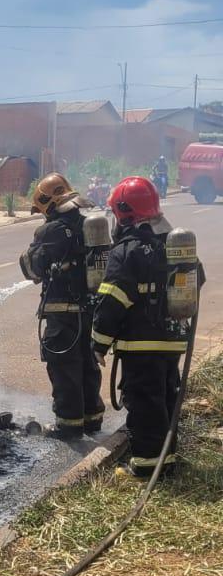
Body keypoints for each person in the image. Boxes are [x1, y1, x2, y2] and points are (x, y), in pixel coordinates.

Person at [92, 176, 192, 478]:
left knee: (145, 401)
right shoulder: (173, 243)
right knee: (165, 396)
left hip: (140, 343)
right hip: (172, 339)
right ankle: (167, 458)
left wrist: (98, 343)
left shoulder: (127, 250)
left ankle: (147, 468)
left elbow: (112, 300)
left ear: (124, 212)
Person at [20, 172, 104, 438]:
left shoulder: (51, 229)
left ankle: (68, 425)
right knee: (87, 365)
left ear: (48, 201)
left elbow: (33, 268)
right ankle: (92, 419)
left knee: (63, 366)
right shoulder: (86, 225)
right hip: (88, 312)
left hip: (62, 314)